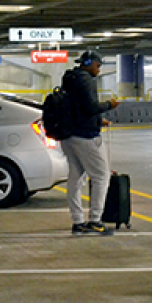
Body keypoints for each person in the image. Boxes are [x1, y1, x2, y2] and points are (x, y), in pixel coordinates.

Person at [61, 51, 121, 235]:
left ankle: (78, 221)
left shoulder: (69, 78)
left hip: (68, 135)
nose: (99, 68)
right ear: (89, 64)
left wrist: (96, 120)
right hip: (85, 137)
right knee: (101, 176)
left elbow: (77, 108)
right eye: (97, 65)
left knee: (75, 178)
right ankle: (95, 220)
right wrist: (109, 105)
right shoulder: (86, 80)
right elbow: (90, 107)